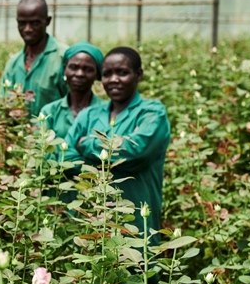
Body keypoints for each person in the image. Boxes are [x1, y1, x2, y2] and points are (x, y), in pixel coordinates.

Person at [63, 46, 171, 235]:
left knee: (138, 262)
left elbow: (135, 151)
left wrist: (86, 144)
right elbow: (66, 159)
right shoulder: (88, 115)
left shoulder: (152, 113)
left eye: (122, 73)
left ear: (138, 75)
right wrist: (114, 160)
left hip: (136, 225)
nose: (114, 80)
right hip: (91, 221)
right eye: (107, 74)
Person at [0, 0, 68, 117]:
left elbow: (78, 106)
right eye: (22, 23)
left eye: (35, 23)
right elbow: (1, 105)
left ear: (47, 21)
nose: (27, 29)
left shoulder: (64, 57)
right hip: (19, 135)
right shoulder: (13, 64)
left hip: (54, 136)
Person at [39, 41, 104, 143]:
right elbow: (41, 149)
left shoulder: (107, 111)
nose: (79, 74)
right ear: (64, 69)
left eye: (88, 69)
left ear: (97, 74)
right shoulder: (50, 112)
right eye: (74, 67)